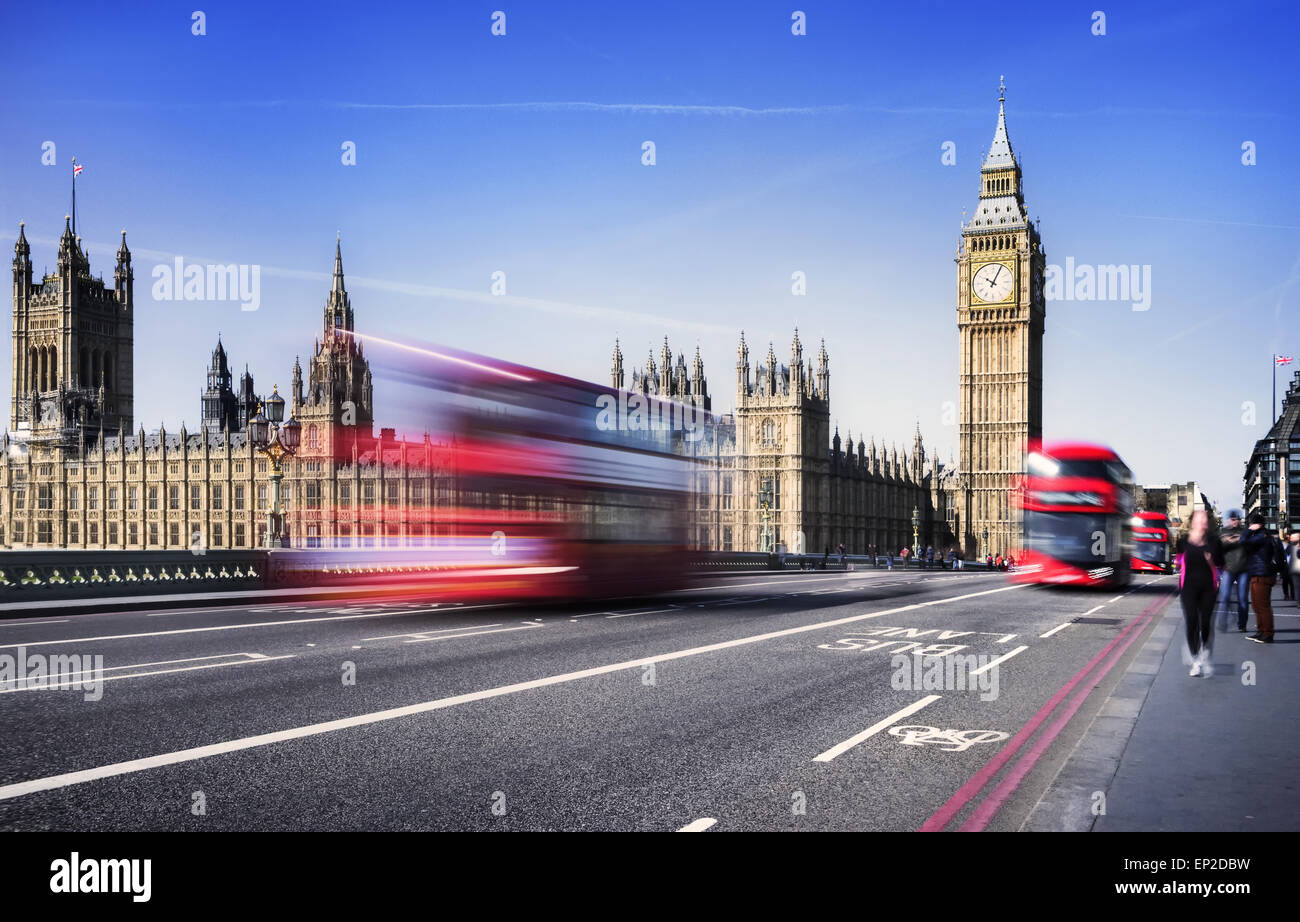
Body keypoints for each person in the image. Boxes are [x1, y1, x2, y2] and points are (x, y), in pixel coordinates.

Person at [1174, 509, 1223, 676]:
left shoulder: (1215, 542)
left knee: (1205, 623)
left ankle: (1205, 651)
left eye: (1205, 519)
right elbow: (1178, 561)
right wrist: (1180, 560)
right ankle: (1195, 659)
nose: (1202, 521)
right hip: (1188, 587)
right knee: (1192, 621)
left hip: (1208, 587)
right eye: (1199, 518)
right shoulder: (1183, 541)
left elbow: (1221, 564)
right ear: (1192, 521)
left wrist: (1211, 561)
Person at [1238, 512, 1277, 644]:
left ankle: (1268, 634)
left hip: (1263, 575)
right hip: (1257, 573)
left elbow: (1242, 542)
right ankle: (1261, 631)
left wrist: (1248, 531)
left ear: (1257, 524)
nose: (1249, 525)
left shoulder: (1262, 536)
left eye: (1251, 523)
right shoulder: (1261, 536)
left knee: (1263, 606)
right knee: (1256, 605)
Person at [1216, 510, 1251, 632]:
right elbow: (1220, 546)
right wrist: (1233, 540)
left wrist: (1234, 539)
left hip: (1244, 569)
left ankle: (1242, 625)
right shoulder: (1223, 531)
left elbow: (1248, 544)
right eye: (1233, 519)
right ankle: (1222, 623)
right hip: (1228, 568)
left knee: (1242, 598)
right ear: (1229, 520)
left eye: (1237, 519)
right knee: (1224, 596)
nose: (1235, 521)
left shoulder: (1245, 532)